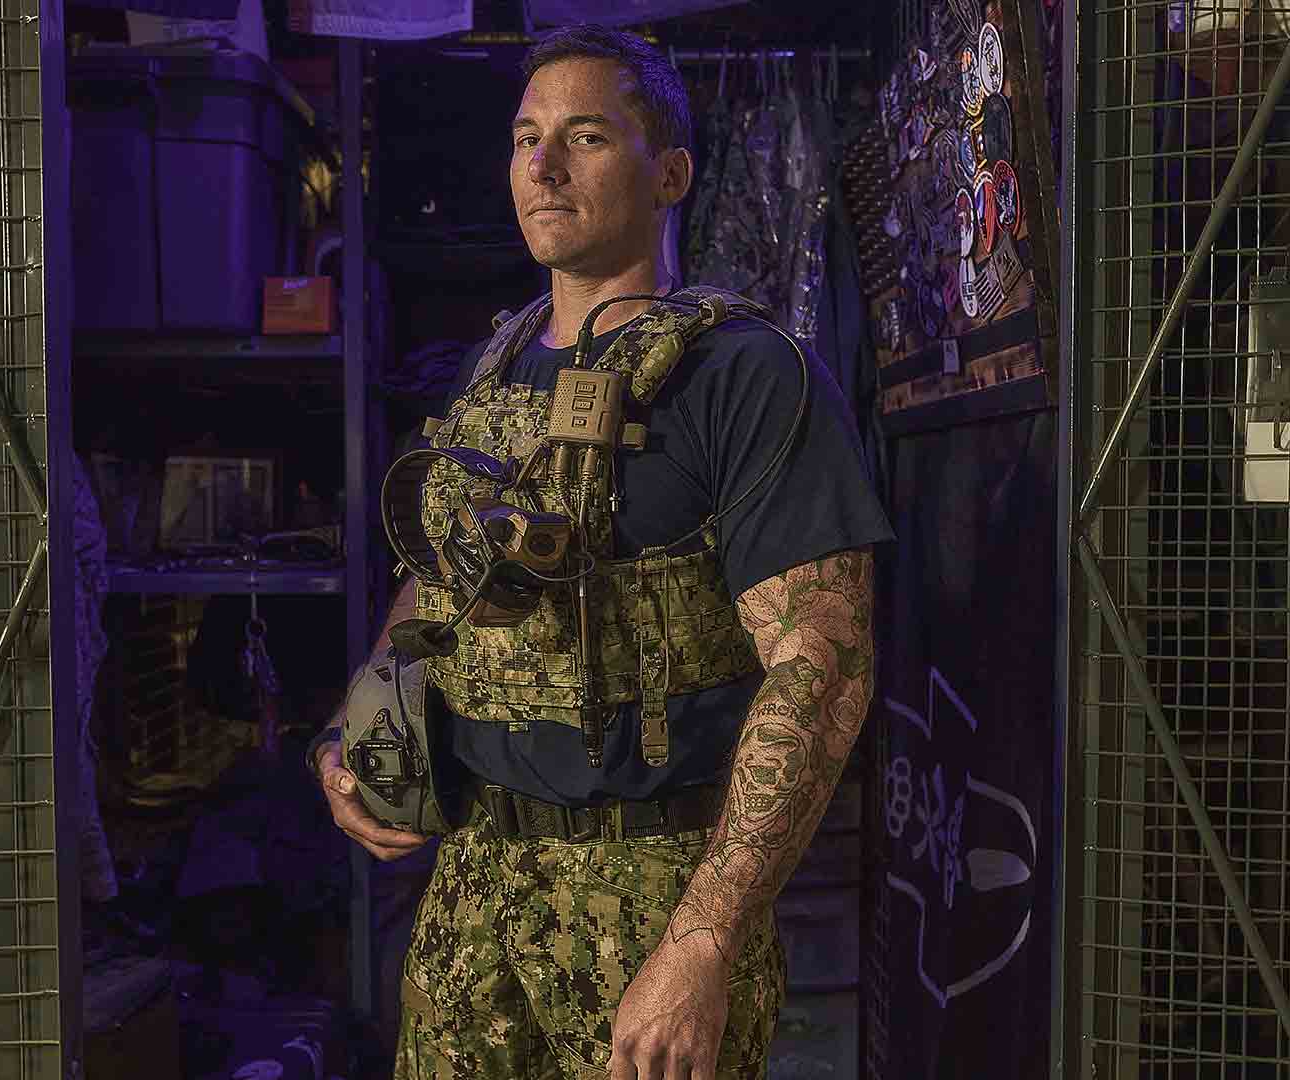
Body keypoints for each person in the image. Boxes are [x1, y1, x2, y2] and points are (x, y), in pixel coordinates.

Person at [310, 25, 893, 1080]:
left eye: (584, 136)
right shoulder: (492, 369)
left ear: (668, 171)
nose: (542, 166)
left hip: (651, 893)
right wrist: (359, 736)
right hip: (474, 888)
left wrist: (703, 944)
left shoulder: (744, 376)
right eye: (527, 137)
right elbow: (443, 583)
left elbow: (823, 666)